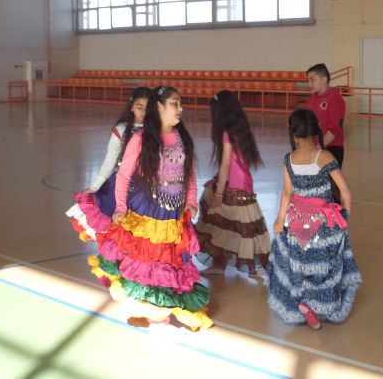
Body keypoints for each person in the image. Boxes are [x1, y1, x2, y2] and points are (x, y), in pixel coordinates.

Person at [89, 86, 212, 331]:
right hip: (148, 212)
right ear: (159, 107)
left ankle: (161, 310)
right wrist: (120, 206)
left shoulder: (182, 138)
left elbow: (189, 175)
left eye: (180, 104)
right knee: (148, 264)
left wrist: (191, 200)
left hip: (173, 215)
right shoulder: (141, 139)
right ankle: (153, 314)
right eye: (175, 104)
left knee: (167, 263)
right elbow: (124, 175)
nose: (180, 108)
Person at [266, 109, 362, 330]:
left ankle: (303, 301)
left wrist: (280, 220)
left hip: (298, 224)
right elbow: (344, 189)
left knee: (300, 263)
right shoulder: (324, 156)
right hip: (322, 224)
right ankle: (319, 304)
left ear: (294, 134)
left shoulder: (289, 159)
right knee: (326, 264)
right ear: (315, 131)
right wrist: (345, 213)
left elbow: (286, 193)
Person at [195, 90, 271, 276]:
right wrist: (215, 181)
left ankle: (228, 266)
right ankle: (223, 266)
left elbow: (226, 164)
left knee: (219, 221)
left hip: (235, 189)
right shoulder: (240, 128)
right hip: (244, 185)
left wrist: (218, 194)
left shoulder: (227, 133)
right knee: (230, 227)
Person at [66, 87, 148, 241]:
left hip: (146, 190)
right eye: (139, 107)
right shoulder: (121, 130)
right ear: (131, 107)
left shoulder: (156, 132)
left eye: (148, 107)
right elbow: (110, 160)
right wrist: (95, 186)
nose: (144, 111)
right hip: (120, 187)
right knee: (118, 232)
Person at [306, 63, 346, 166]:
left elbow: (334, 130)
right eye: (308, 80)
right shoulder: (311, 100)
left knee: (331, 177)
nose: (309, 84)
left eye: (312, 80)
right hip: (315, 149)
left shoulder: (335, 98)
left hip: (332, 149)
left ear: (324, 80)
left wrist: (317, 149)